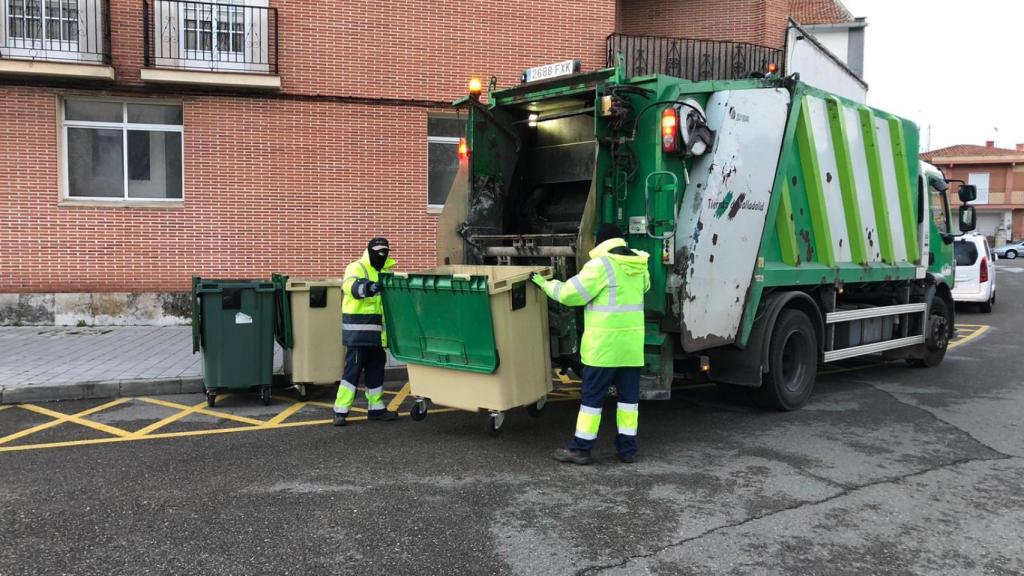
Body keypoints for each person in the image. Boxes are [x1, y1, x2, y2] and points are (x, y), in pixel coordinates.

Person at [531, 224, 650, 464]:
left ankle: (581, 449)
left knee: (592, 401)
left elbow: (569, 294)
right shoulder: (639, 264)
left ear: (599, 240)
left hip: (604, 349)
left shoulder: (601, 265)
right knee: (628, 403)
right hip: (632, 348)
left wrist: (546, 285)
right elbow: (645, 288)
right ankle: (627, 450)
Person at [334, 237, 399, 426]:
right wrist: (368, 287)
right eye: (378, 250)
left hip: (378, 335)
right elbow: (350, 287)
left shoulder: (387, 271)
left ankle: (376, 408)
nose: (382, 254)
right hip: (359, 333)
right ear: (369, 250)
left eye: (385, 250)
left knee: (376, 372)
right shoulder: (356, 267)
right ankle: (340, 411)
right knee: (352, 373)